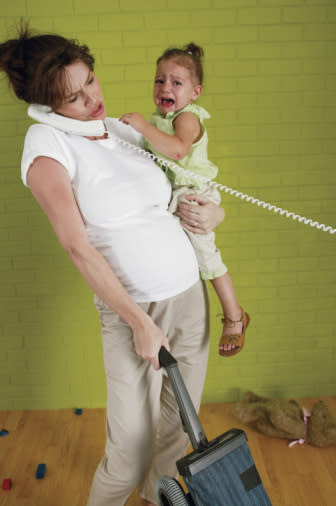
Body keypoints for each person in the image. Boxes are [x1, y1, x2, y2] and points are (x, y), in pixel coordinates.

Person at [0, 26, 225, 506]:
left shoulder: (123, 132)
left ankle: (156, 498)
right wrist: (138, 321)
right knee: (128, 452)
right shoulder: (47, 146)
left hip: (188, 295)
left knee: (173, 433)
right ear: (47, 104)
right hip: (132, 310)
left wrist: (216, 212)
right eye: (74, 97)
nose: (91, 99)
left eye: (91, 82)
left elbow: (181, 189)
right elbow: (77, 245)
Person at [120, 42, 250, 357]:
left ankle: (235, 317)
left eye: (176, 82)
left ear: (195, 92)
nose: (165, 87)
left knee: (208, 258)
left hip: (194, 195)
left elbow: (178, 150)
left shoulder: (187, 118)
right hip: (176, 195)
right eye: (159, 80)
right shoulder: (163, 118)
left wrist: (142, 126)